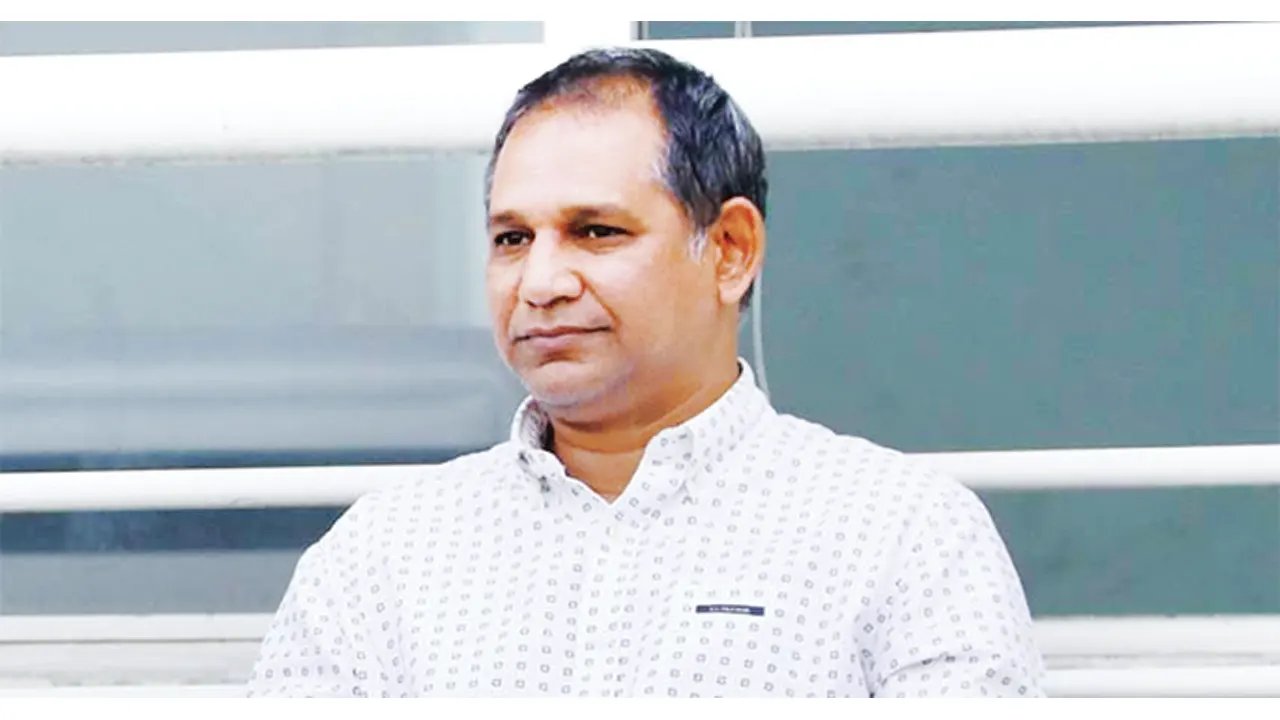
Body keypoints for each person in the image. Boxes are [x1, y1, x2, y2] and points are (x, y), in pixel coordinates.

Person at [246, 45, 1045, 698]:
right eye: (512, 239)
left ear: (729, 250)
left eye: (595, 231)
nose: (540, 283)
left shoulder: (901, 536)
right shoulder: (384, 555)